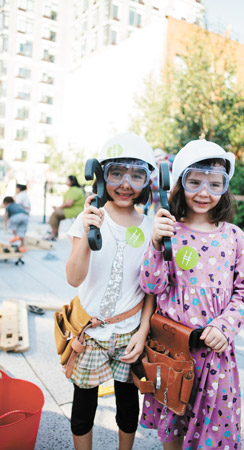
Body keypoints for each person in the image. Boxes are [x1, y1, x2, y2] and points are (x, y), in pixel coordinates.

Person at [139, 139, 244, 450]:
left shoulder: (233, 236)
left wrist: (225, 326)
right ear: (178, 184)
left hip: (215, 355)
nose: (204, 192)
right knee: (173, 423)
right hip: (174, 351)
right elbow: (152, 286)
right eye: (194, 182)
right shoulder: (169, 232)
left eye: (214, 184)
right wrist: (154, 244)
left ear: (224, 188)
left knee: (214, 428)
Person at [65, 132, 156, 450]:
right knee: (83, 408)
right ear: (100, 175)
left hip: (129, 332)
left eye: (136, 174)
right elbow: (74, 278)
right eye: (116, 172)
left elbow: (151, 288)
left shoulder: (149, 227)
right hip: (91, 332)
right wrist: (89, 230)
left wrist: (143, 331)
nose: (126, 183)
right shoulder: (88, 219)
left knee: (128, 405)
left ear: (148, 180)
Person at [46, 175, 85, 241]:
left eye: (67, 180)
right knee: (56, 214)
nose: (66, 181)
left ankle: (53, 234)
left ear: (72, 181)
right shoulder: (75, 189)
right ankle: (54, 233)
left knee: (55, 214)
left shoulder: (74, 190)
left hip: (74, 211)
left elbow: (68, 204)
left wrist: (58, 208)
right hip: (74, 210)